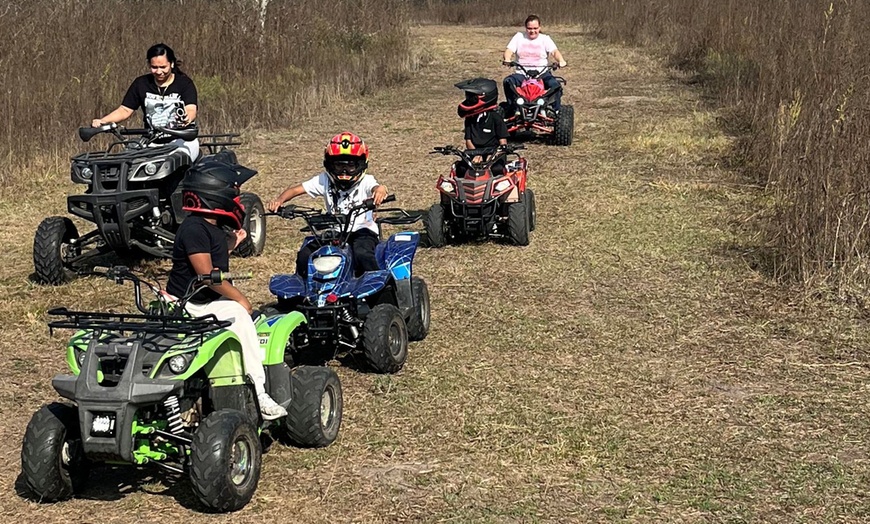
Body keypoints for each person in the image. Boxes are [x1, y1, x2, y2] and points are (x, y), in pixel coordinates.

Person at [166, 160, 287, 421]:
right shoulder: (194, 228)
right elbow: (208, 276)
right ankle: (260, 391)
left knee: (241, 315)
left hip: (203, 299)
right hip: (191, 303)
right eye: (233, 193)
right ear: (216, 195)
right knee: (241, 316)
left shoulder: (212, 227)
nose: (237, 200)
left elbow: (215, 255)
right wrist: (241, 299)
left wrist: (233, 241)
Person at [267, 132, 388, 277]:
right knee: (305, 255)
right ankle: (304, 291)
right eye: (338, 165)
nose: (344, 171)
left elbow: (377, 188)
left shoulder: (367, 180)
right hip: (335, 232)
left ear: (361, 164)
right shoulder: (324, 179)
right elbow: (296, 189)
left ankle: (378, 286)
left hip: (363, 232)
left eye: (351, 165)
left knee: (362, 254)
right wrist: (280, 201)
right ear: (329, 164)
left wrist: (380, 190)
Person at [92, 43, 200, 161]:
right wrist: (103, 121)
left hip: (182, 141)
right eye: (154, 67)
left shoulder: (184, 83)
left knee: (173, 163)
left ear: (172, 64)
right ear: (149, 64)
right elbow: (125, 110)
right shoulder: (141, 83)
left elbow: (191, 109)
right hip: (151, 142)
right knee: (127, 163)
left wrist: (186, 118)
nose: (159, 72)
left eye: (163, 67)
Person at [502, 14, 568, 113]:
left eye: (535, 28)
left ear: (539, 27)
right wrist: (507, 59)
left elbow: (554, 52)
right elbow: (509, 50)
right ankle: (513, 108)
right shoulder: (519, 37)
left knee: (555, 85)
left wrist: (561, 60)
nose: (532, 31)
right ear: (525, 28)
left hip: (542, 73)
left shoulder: (545, 39)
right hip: (522, 73)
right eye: (529, 28)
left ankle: (556, 111)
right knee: (508, 82)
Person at [454, 78, 509, 177]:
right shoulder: (470, 118)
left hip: (494, 153)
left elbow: (503, 141)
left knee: (496, 169)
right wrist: (475, 153)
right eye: (468, 96)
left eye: (472, 97)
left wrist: (494, 156)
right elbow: (468, 140)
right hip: (475, 152)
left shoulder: (496, 118)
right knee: (461, 169)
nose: (468, 100)